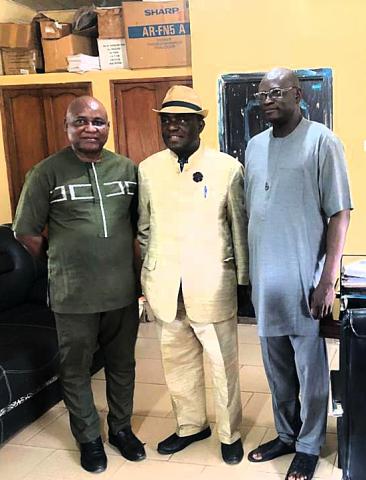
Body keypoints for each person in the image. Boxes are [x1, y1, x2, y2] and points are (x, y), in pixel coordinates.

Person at [12, 96, 146, 474]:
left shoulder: (126, 169)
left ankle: (121, 429)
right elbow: (27, 233)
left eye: (99, 122)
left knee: (123, 365)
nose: (91, 128)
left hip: (121, 291)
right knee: (75, 370)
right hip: (73, 295)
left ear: (108, 127)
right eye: (81, 121)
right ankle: (88, 437)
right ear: (67, 127)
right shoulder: (46, 172)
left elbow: (138, 227)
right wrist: (65, 260)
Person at [245, 68, 352, 480]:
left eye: (277, 92)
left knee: (310, 368)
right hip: (265, 281)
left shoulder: (322, 142)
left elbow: (339, 214)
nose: (269, 99)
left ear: (298, 94)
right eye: (262, 94)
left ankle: (309, 444)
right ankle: (286, 434)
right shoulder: (254, 148)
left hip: (305, 280)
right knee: (276, 368)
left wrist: (328, 278)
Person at [137, 85, 249, 465]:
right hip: (166, 287)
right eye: (167, 119)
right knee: (177, 363)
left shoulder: (227, 168)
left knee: (223, 365)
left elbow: (239, 229)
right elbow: (144, 227)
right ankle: (190, 425)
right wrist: (147, 277)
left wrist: (244, 281)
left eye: (182, 119)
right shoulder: (148, 169)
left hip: (212, 285)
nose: (173, 126)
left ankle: (229, 432)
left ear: (200, 123)